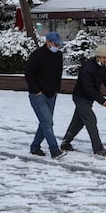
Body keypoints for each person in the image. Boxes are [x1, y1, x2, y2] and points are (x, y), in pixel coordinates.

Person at [61, 45, 106, 157]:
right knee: (91, 120)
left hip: (89, 99)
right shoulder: (87, 68)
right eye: (104, 57)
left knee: (78, 122)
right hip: (81, 97)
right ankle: (98, 148)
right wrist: (102, 100)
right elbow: (88, 88)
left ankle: (65, 142)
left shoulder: (103, 68)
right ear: (98, 57)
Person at [24, 31, 66, 159]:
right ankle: (54, 150)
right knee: (47, 122)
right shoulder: (37, 55)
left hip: (51, 94)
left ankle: (35, 146)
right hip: (38, 95)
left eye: (58, 45)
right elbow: (29, 73)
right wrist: (36, 90)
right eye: (55, 44)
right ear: (48, 42)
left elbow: (58, 73)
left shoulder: (58, 55)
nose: (57, 47)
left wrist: (56, 89)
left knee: (45, 122)